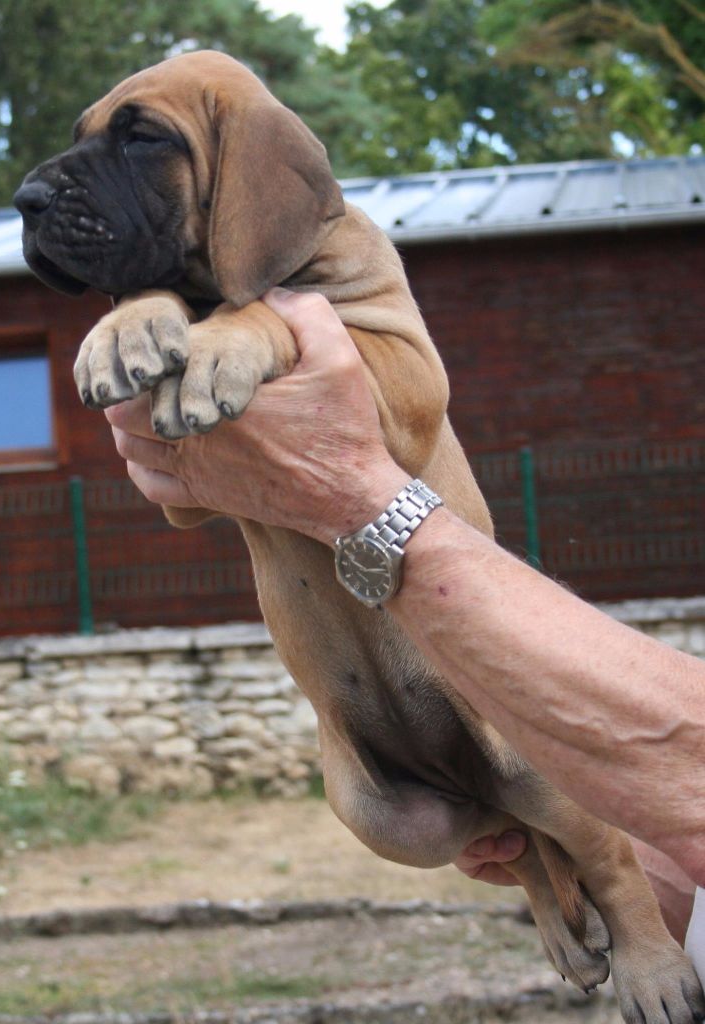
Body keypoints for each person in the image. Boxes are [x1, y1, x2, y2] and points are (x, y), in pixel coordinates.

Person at [104, 287, 705, 963]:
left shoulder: (339, 271)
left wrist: (350, 492)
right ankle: (549, 870)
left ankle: (624, 912)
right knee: (417, 821)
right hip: (379, 747)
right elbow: (182, 503)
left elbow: (415, 410)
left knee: (534, 774)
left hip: (464, 693)